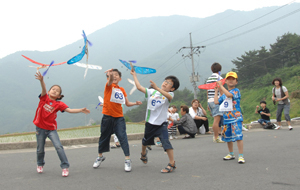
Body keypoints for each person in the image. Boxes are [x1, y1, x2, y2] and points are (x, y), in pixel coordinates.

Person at [34, 71, 90, 177]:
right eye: (53, 89)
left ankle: (65, 167)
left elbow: (70, 110)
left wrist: (80, 110)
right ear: (49, 91)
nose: (55, 91)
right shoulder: (44, 98)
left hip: (51, 129)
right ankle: (40, 164)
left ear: (59, 95)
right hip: (40, 128)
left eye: (57, 91)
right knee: (40, 148)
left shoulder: (59, 104)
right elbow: (43, 89)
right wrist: (42, 80)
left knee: (59, 147)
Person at [92, 69, 142, 172]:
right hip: (107, 117)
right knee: (104, 137)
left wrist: (135, 103)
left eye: (116, 75)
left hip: (119, 117)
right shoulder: (108, 86)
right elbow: (110, 80)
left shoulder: (122, 89)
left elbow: (127, 103)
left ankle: (127, 159)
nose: (114, 76)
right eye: (112, 75)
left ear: (120, 78)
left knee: (123, 137)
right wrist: (110, 75)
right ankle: (100, 156)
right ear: (108, 77)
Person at [131, 69, 180, 173]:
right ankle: (143, 153)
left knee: (166, 142)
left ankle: (172, 163)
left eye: (169, 83)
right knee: (145, 140)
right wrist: (134, 75)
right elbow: (139, 87)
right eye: (165, 81)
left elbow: (168, 96)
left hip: (162, 124)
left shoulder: (170, 95)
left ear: (172, 88)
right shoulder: (152, 92)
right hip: (150, 123)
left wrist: (157, 87)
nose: (165, 83)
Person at [214, 71, 245, 164]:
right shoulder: (223, 94)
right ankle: (231, 154)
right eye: (228, 79)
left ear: (236, 81)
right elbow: (216, 102)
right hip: (226, 118)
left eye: (233, 79)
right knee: (228, 137)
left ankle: (241, 156)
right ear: (226, 81)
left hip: (236, 117)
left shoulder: (236, 91)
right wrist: (216, 91)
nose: (231, 81)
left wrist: (221, 86)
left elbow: (229, 95)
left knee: (238, 136)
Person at [206, 62, 224, 143]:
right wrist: (223, 99)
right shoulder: (219, 78)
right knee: (217, 120)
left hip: (210, 100)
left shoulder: (209, 79)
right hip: (217, 100)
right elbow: (221, 89)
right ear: (220, 69)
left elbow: (207, 91)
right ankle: (216, 137)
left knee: (215, 119)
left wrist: (207, 102)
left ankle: (216, 136)